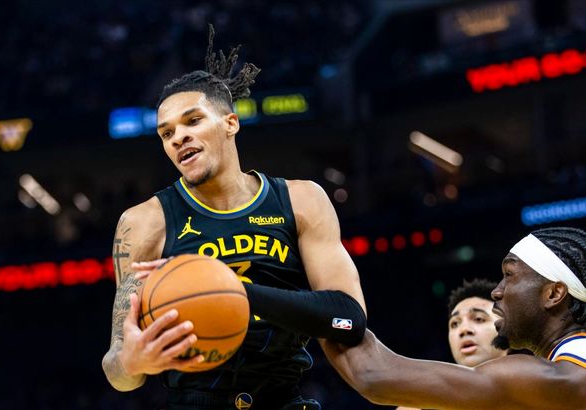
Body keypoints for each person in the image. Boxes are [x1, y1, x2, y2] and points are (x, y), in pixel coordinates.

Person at [101, 25, 367, 410]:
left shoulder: (302, 201)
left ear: (230, 122)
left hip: (284, 400)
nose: (178, 137)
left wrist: (232, 292)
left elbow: (349, 321)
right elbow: (116, 368)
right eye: (166, 133)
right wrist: (133, 362)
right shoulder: (143, 222)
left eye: (193, 121)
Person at [325, 226, 586, 409]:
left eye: (509, 275)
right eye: (454, 323)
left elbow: (372, 374)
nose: (497, 291)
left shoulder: (560, 377)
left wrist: (323, 302)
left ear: (554, 293)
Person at [397, 278, 508, 410]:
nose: (464, 330)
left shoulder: (529, 386)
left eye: (479, 319)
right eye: (455, 324)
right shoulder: (419, 403)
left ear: (508, 329)